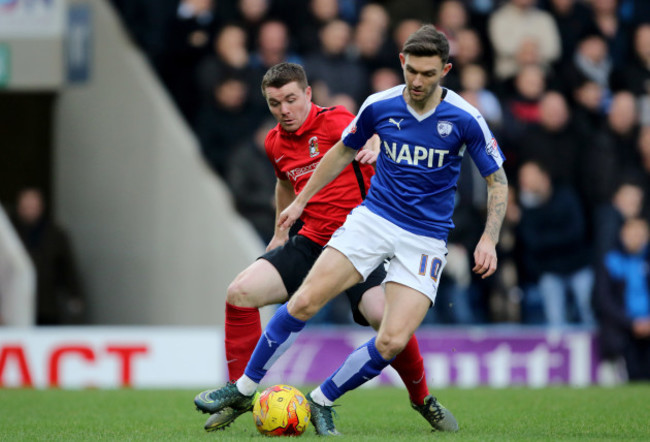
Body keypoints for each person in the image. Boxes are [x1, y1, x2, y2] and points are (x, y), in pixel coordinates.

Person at [195, 25, 507, 435]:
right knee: (293, 299)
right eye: (411, 70)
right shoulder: (376, 106)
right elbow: (328, 158)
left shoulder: (465, 118)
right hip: (367, 224)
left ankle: (341, 399)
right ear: (402, 63)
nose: (417, 81)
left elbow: (497, 180)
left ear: (446, 70)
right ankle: (243, 388)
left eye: (428, 74)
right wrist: (295, 210)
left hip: (424, 238)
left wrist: (489, 237)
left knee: (392, 336)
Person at [594, 217, 650, 381]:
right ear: (622, 235)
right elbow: (603, 299)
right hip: (624, 328)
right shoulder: (611, 261)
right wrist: (631, 322)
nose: (636, 238)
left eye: (640, 234)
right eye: (632, 234)